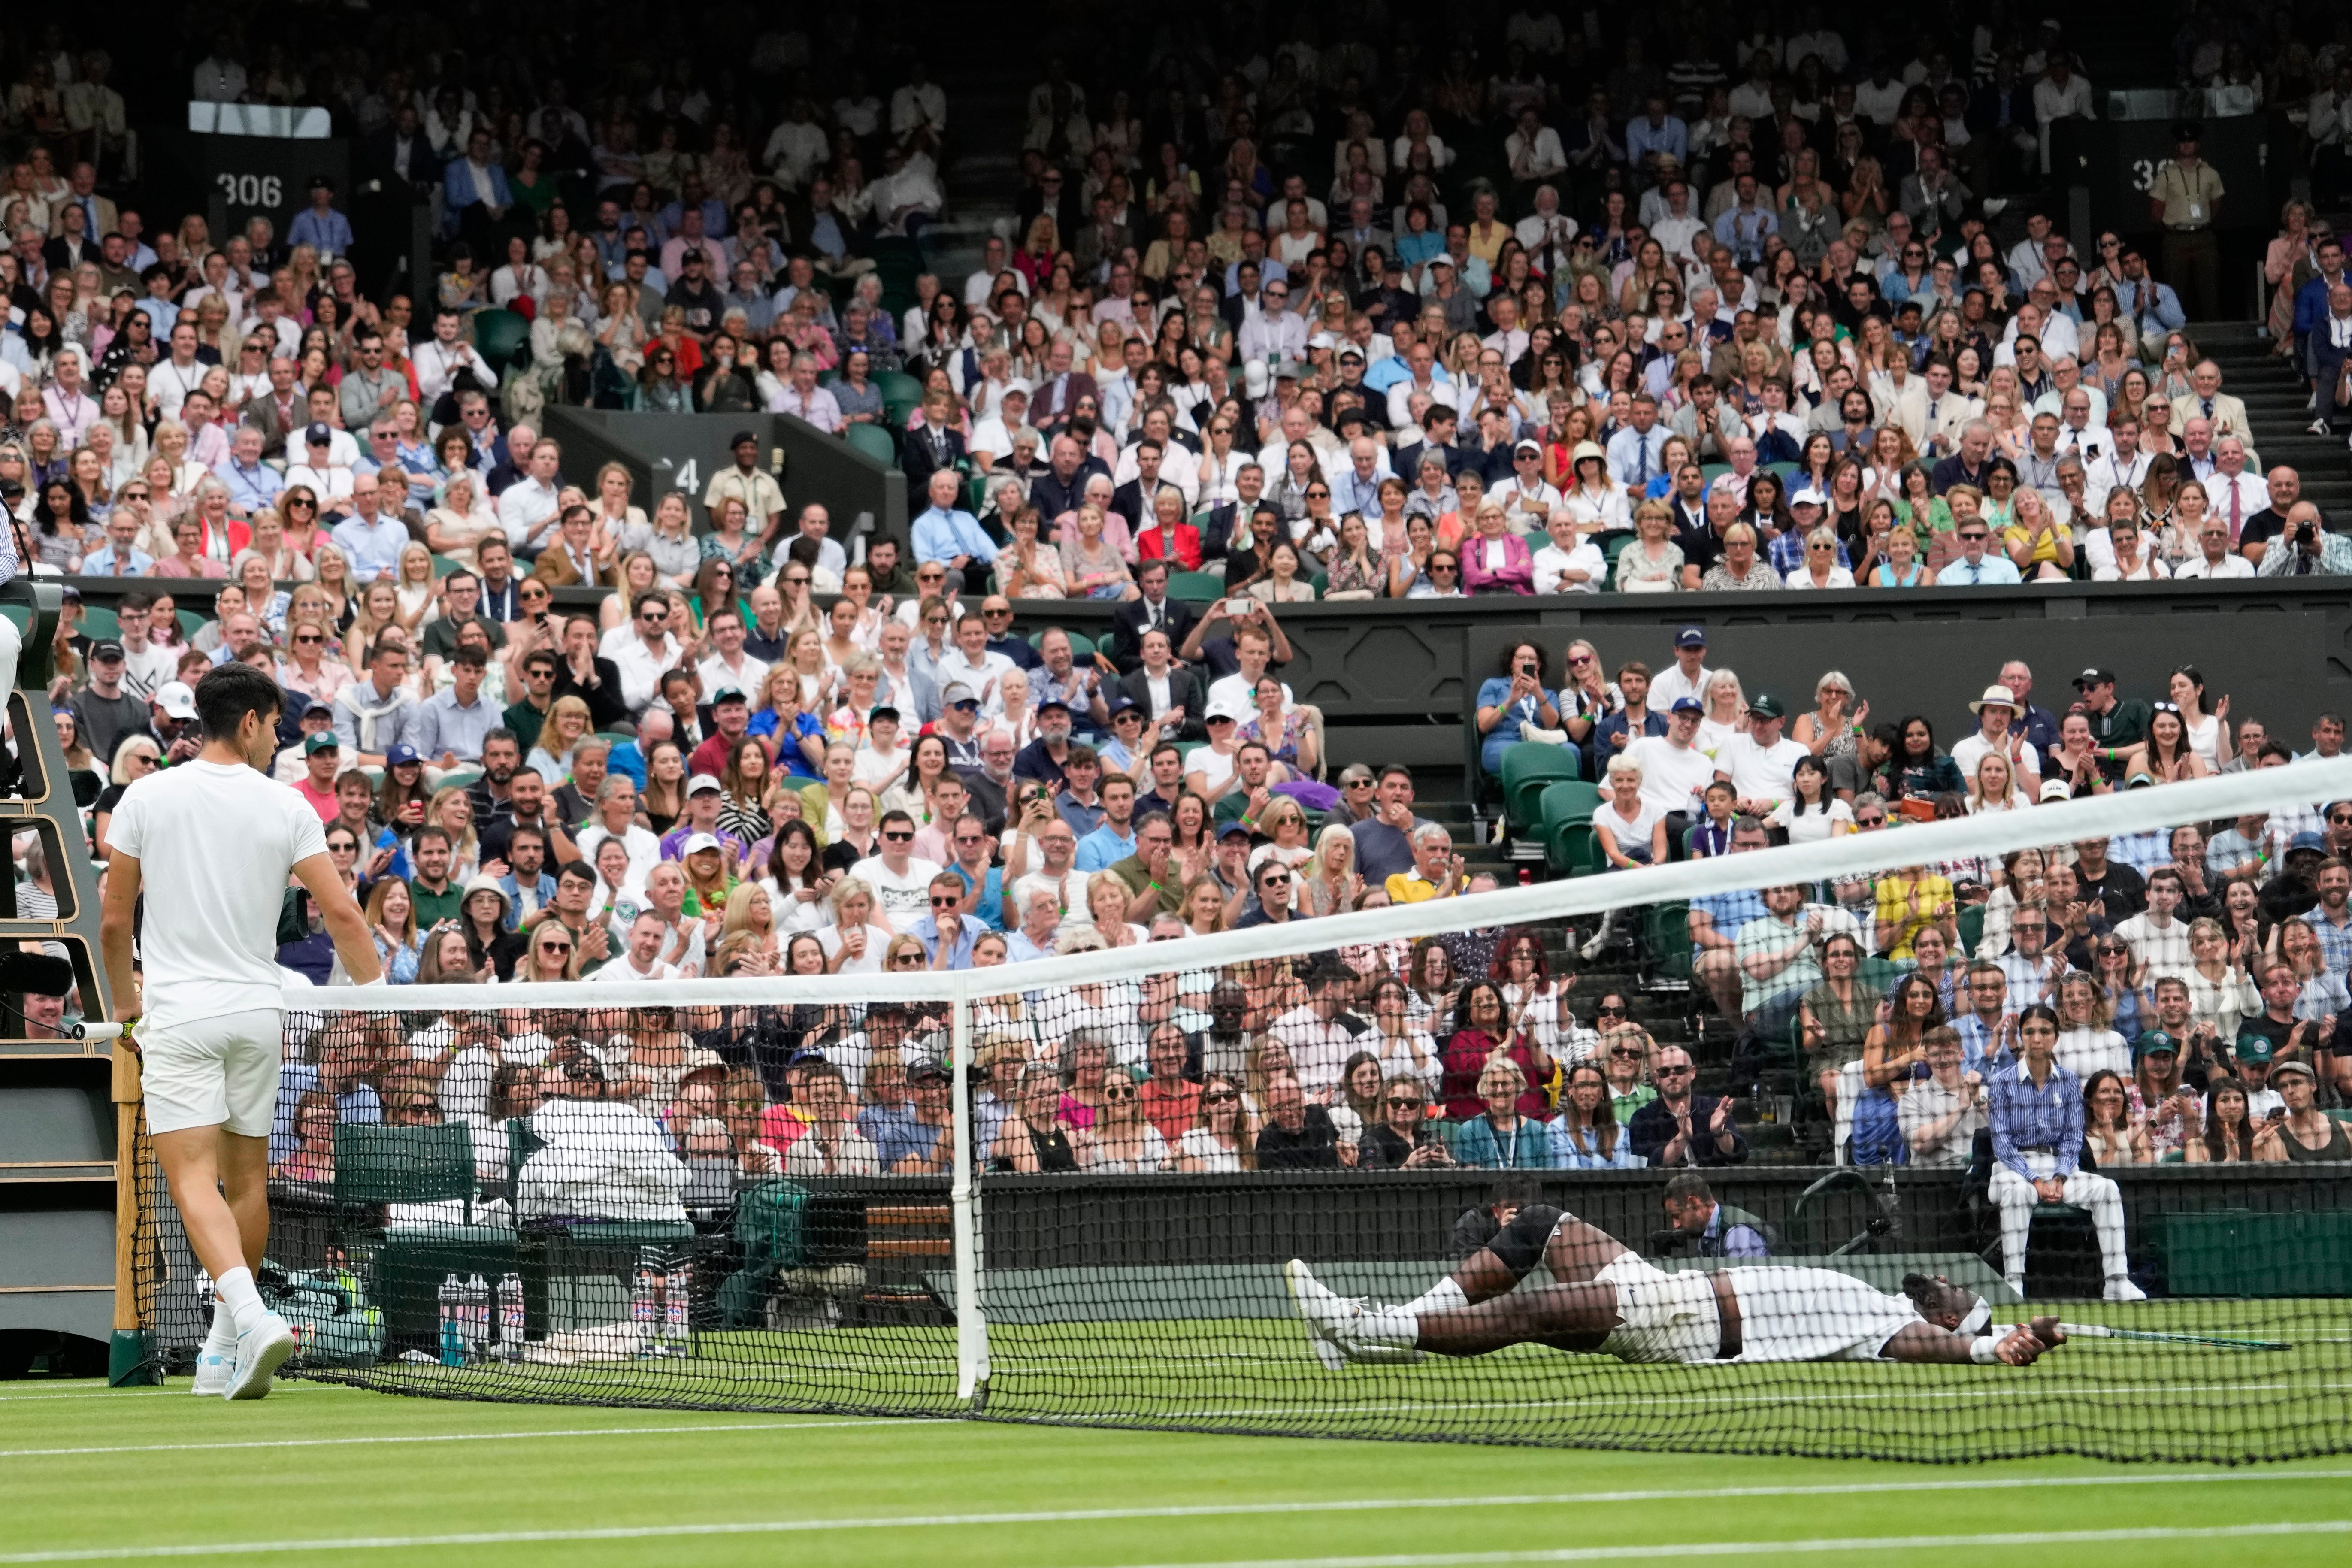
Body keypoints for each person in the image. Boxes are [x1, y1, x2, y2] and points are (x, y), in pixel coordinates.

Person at [99, 664, 384, 1402]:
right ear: (252, 721)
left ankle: (252, 1318)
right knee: (247, 1178)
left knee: (194, 1178)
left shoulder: (146, 794)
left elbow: (112, 922)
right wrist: (377, 998)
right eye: (276, 726)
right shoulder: (285, 804)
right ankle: (223, 1349)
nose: (275, 741)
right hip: (258, 1015)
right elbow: (345, 918)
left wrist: (126, 1010)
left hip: (181, 1016)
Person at [1287, 1201, 2064, 1370]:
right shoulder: (1876, 1293)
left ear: (1952, 1315)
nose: (1954, 1282)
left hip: (1684, 1323)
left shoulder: (1886, 1327)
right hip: (1674, 1284)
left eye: (1965, 1294)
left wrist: (1994, 1345)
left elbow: (1940, 1348)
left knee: (1528, 1314)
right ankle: (1382, 1335)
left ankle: (1371, 1328)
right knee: (1539, 1224)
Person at [1987, 1003, 2146, 1301]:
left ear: (2055, 1038)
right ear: (2021, 1036)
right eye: (2030, 1032)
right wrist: (2035, 1180)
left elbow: (2074, 1137)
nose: (2037, 1039)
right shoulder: (2000, 1082)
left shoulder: (2070, 1081)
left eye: (2044, 1032)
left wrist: (2060, 1176)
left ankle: (2116, 1280)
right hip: (2011, 1170)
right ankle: (2013, 1282)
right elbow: (2002, 1144)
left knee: (2106, 1189)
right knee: (2018, 1194)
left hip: (2059, 1167)